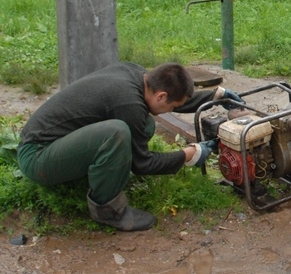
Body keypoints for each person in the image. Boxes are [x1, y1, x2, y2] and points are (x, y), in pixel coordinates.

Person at [17, 62, 243, 232]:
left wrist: (215, 96)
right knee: (116, 133)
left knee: (143, 124)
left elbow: (167, 100)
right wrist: (189, 154)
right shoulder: (128, 102)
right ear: (161, 95)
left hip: (53, 140)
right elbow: (142, 163)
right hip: (38, 157)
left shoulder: (136, 76)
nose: (171, 109)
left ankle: (106, 171)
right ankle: (108, 210)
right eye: (172, 106)